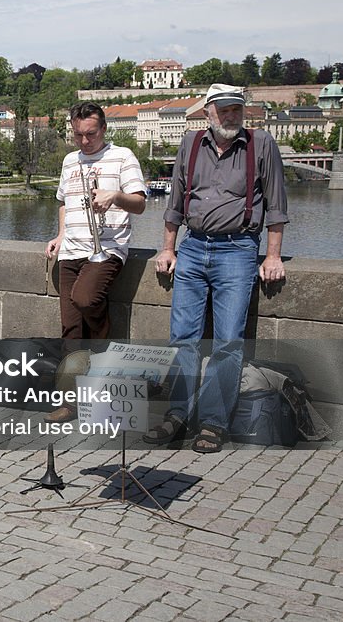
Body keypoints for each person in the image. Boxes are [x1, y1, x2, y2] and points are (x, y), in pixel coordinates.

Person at [146, 83, 288, 453]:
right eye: (223, 110)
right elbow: (175, 200)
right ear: (208, 111)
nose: (230, 116)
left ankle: (211, 423)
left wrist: (272, 256)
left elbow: (276, 206)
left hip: (238, 249)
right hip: (192, 248)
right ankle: (177, 415)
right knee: (182, 338)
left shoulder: (261, 144)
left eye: (236, 109)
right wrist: (167, 248)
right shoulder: (191, 143)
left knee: (227, 342)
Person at [44, 101, 147, 422]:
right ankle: (71, 402)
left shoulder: (123, 156)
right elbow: (63, 201)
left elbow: (140, 203)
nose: (84, 141)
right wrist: (60, 234)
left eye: (90, 134)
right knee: (71, 329)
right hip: (71, 251)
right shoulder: (69, 160)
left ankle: (104, 361)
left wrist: (114, 196)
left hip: (107, 248)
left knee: (85, 299)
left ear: (103, 129)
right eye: (78, 135)